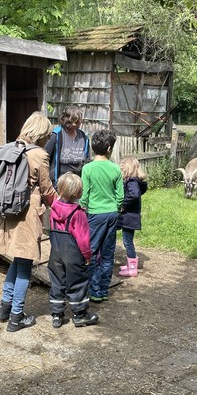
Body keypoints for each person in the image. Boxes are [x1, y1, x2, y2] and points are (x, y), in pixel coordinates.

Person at [0, 112, 58, 332]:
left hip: (4, 214)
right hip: (26, 214)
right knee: (24, 264)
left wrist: (6, 194)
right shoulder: (39, 155)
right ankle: (16, 317)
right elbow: (46, 189)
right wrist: (62, 206)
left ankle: (4, 309)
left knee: (16, 260)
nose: (49, 138)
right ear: (42, 133)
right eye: (48, 134)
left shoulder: (6, 149)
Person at [47, 172, 98, 328]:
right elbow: (83, 239)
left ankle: (57, 315)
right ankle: (80, 314)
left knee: (57, 281)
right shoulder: (78, 214)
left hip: (56, 252)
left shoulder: (54, 209)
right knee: (77, 282)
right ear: (78, 193)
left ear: (60, 190)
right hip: (73, 254)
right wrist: (87, 256)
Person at [80, 129, 124, 303]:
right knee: (107, 253)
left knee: (91, 252)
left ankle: (92, 288)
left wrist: (83, 208)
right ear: (108, 148)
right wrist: (116, 208)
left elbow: (85, 194)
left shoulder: (87, 168)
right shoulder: (115, 169)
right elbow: (120, 195)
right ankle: (103, 290)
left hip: (93, 214)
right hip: (112, 214)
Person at [44, 105, 90, 188]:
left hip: (78, 185)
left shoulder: (83, 137)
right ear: (71, 121)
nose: (81, 121)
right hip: (59, 186)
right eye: (78, 119)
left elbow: (87, 161)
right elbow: (44, 157)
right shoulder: (57, 135)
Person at [117, 157, 148, 277]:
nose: (122, 173)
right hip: (131, 217)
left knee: (128, 242)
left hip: (129, 218)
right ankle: (130, 265)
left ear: (128, 169)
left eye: (123, 170)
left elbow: (134, 195)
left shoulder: (132, 182)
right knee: (127, 241)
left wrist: (123, 206)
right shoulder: (136, 182)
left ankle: (133, 269)